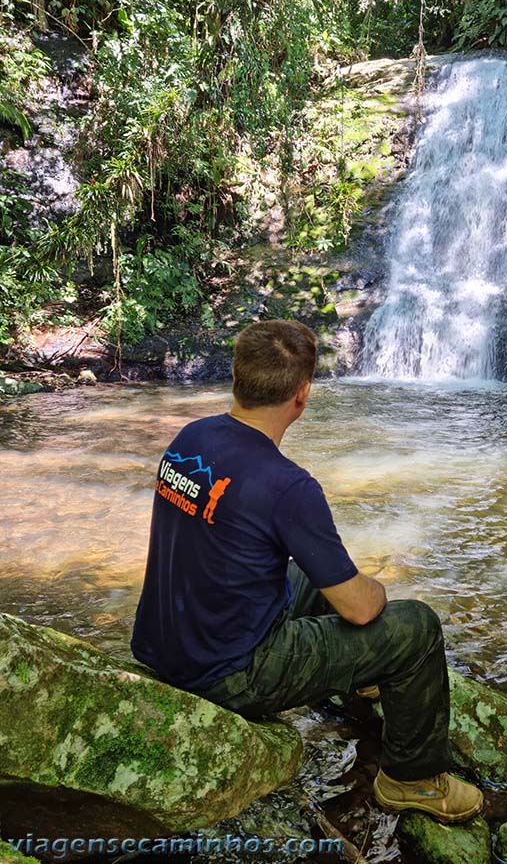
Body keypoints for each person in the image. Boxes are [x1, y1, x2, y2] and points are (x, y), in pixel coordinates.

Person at [131, 319, 483, 823]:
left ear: (237, 377)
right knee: (416, 627)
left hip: (161, 643)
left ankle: (365, 678)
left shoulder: (192, 436)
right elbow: (361, 609)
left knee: (303, 574)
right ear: (302, 395)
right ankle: (412, 779)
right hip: (228, 671)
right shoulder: (288, 486)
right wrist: (379, 592)